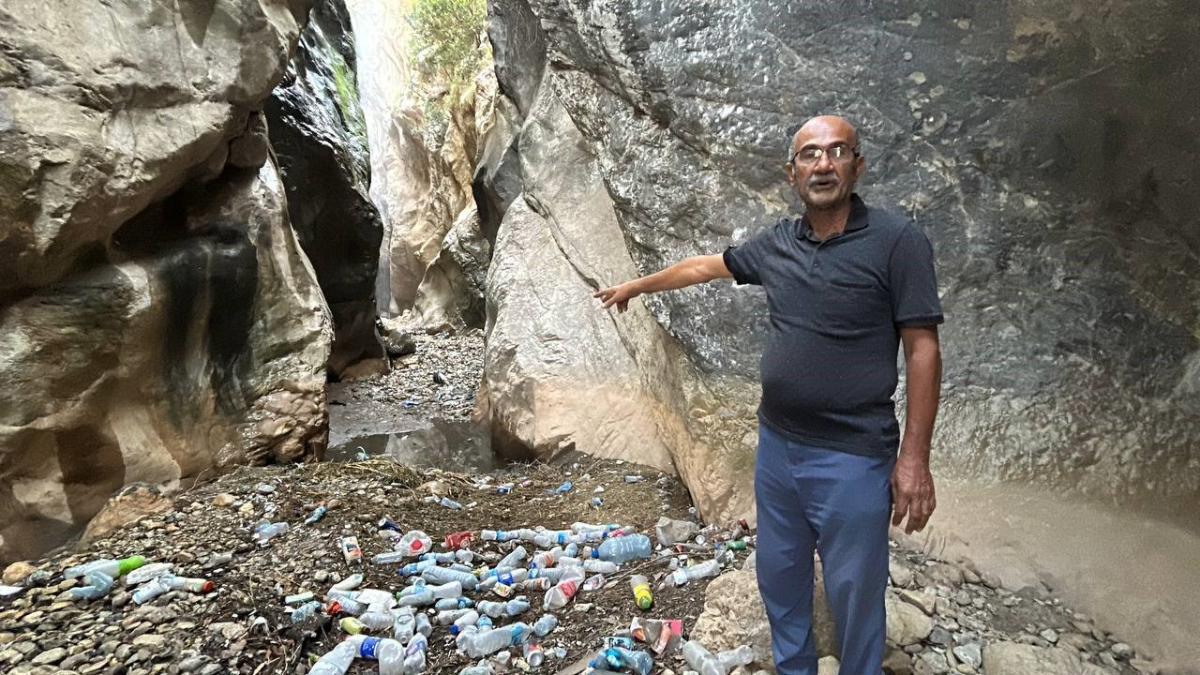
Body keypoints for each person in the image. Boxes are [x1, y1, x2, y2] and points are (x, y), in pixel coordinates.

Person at [594, 115, 943, 674]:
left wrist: (915, 459)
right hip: (779, 450)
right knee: (780, 575)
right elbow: (703, 267)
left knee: (856, 589)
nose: (822, 164)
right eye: (809, 154)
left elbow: (922, 349)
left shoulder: (896, 242)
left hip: (854, 453)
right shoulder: (780, 243)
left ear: (858, 164)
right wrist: (638, 285)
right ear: (792, 172)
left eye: (836, 152)